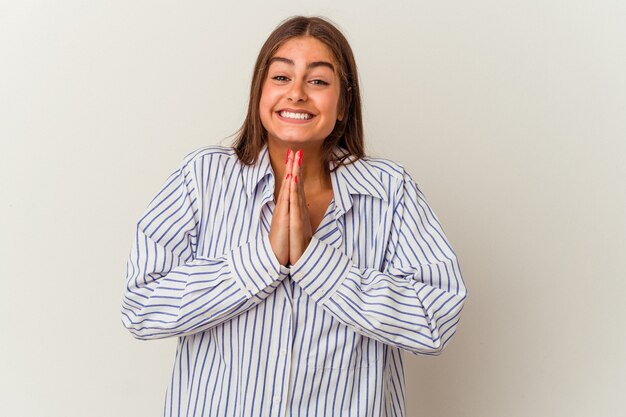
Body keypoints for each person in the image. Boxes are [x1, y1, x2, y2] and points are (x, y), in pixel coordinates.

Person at [121, 15, 467, 417]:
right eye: (281, 77)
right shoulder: (200, 177)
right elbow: (141, 306)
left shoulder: (390, 191)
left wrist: (316, 263)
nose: (298, 94)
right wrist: (264, 260)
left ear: (343, 105)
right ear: (259, 93)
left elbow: (435, 318)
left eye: (318, 81)